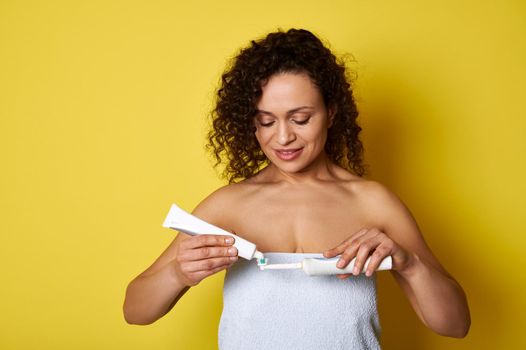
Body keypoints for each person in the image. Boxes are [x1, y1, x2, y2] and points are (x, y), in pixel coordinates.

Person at [123, 28, 470, 348]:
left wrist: (409, 264)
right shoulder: (227, 206)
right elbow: (135, 310)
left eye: (300, 119)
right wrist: (178, 273)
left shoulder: (372, 204)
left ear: (331, 113)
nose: (284, 137)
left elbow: (455, 324)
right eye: (266, 121)